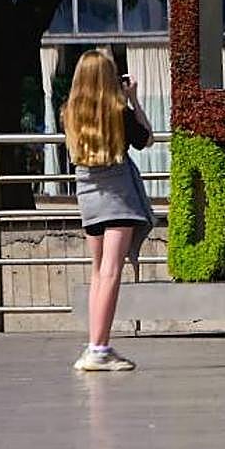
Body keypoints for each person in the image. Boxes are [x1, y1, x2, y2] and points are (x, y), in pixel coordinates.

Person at [61, 50, 155, 372]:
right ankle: (99, 350)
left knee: (98, 271)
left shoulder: (69, 112)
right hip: (119, 198)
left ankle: (95, 344)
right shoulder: (119, 113)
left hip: (89, 198)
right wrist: (133, 100)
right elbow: (147, 139)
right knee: (111, 272)